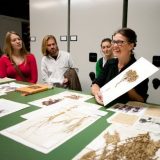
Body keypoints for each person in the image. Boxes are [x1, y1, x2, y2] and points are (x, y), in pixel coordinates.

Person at [91, 28, 149, 105]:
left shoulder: (139, 69)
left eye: (120, 42)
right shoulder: (110, 63)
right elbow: (95, 84)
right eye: (114, 42)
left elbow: (141, 100)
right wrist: (97, 93)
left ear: (131, 46)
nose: (114, 46)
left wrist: (127, 86)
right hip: (105, 106)